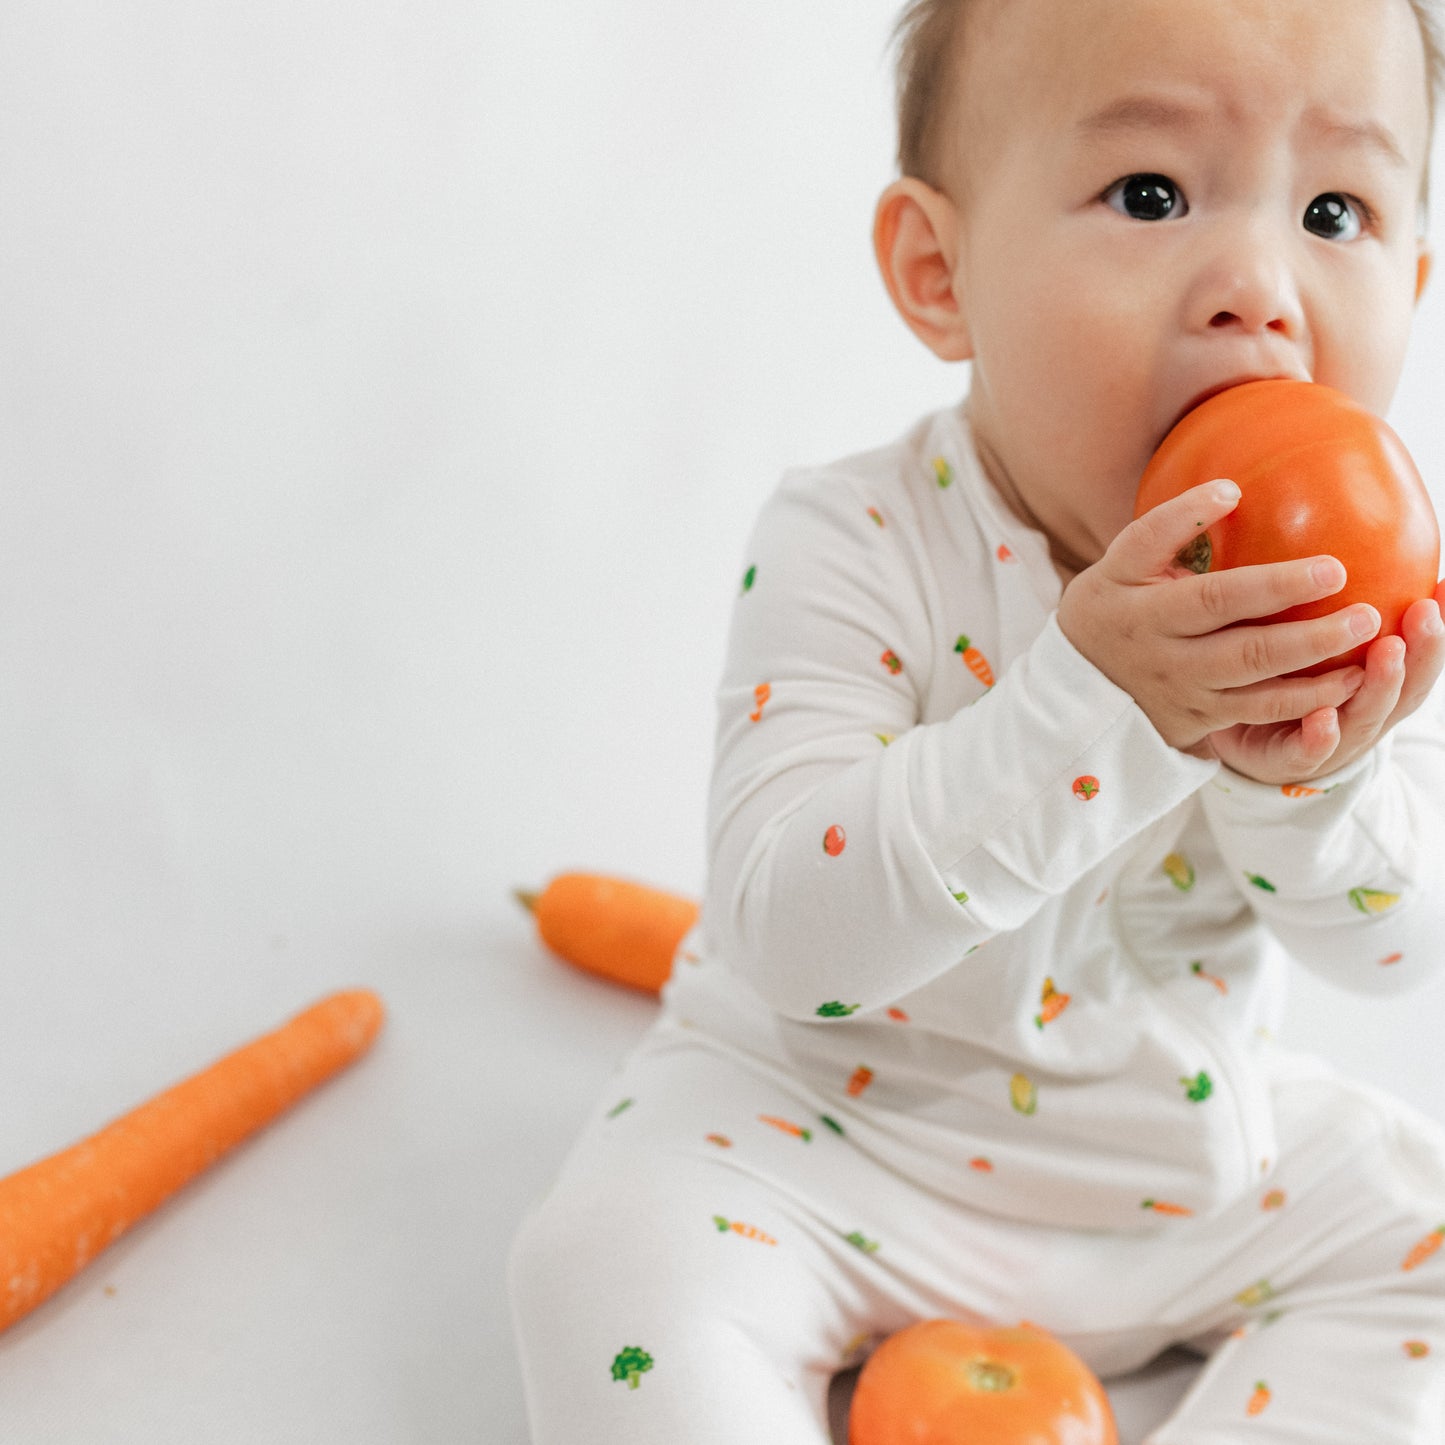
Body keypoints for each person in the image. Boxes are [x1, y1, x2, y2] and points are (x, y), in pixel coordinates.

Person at [509, 0, 1445, 1439]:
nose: (1257, 285)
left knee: (1424, 1244)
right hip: (821, 1138)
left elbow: (1390, 952)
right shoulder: (855, 536)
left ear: (1417, 278)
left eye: (1334, 209)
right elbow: (782, 928)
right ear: (939, 273)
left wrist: (1315, 779)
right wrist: (1101, 699)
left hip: (1178, 1172)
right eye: (1151, 192)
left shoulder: (1368, 588)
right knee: (599, 1266)